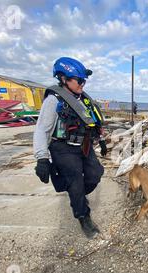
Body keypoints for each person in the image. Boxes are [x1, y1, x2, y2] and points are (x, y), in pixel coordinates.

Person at [33, 57, 107, 239]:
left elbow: (92, 122)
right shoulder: (53, 100)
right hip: (63, 148)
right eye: (79, 80)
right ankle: (83, 216)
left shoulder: (83, 99)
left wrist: (101, 140)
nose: (83, 84)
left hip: (84, 145)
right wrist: (42, 158)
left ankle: (76, 193)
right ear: (64, 79)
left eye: (84, 80)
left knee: (95, 174)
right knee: (75, 183)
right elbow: (41, 130)